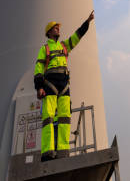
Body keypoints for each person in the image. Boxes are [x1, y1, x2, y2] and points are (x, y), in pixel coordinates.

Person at [34, 10, 95, 161]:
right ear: (48, 32)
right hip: (49, 84)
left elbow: (77, 36)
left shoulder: (64, 46)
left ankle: (62, 150)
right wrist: (39, 87)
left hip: (64, 85)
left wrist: (87, 22)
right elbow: (39, 69)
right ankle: (48, 151)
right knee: (48, 118)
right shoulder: (45, 49)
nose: (58, 29)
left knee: (65, 118)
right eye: (55, 28)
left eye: (58, 28)